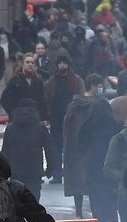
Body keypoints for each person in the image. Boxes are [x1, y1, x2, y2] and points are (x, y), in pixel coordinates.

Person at [63, 73, 122, 221]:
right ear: (93, 86)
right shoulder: (102, 108)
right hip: (102, 160)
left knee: (89, 189)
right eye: (100, 86)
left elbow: (70, 130)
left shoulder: (76, 106)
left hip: (85, 157)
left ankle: (82, 214)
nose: (101, 88)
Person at [1, 99, 52, 201]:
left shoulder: (10, 128)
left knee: (17, 199)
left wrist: (3, 171)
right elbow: (49, 149)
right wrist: (50, 168)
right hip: (35, 169)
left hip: (16, 170)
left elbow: (5, 151)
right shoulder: (40, 127)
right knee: (34, 199)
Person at [45, 53, 84, 186]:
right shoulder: (52, 81)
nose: (62, 65)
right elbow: (48, 98)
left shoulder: (76, 80)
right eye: (60, 63)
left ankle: (70, 174)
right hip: (56, 118)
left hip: (72, 118)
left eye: (64, 63)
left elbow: (80, 97)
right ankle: (57, 174)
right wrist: (49, 115)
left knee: (71, 147)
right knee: (56, 146)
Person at [0, 53, 45, 122]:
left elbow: (43, 100)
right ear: (22, 64)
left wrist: (42, 115)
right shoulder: (15, 80)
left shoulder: (39, 81)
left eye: (32, 63)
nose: (30, 64)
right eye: (27, 62)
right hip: (18, 118)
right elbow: (5, 98)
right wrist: (12, 112)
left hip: (35, 118)